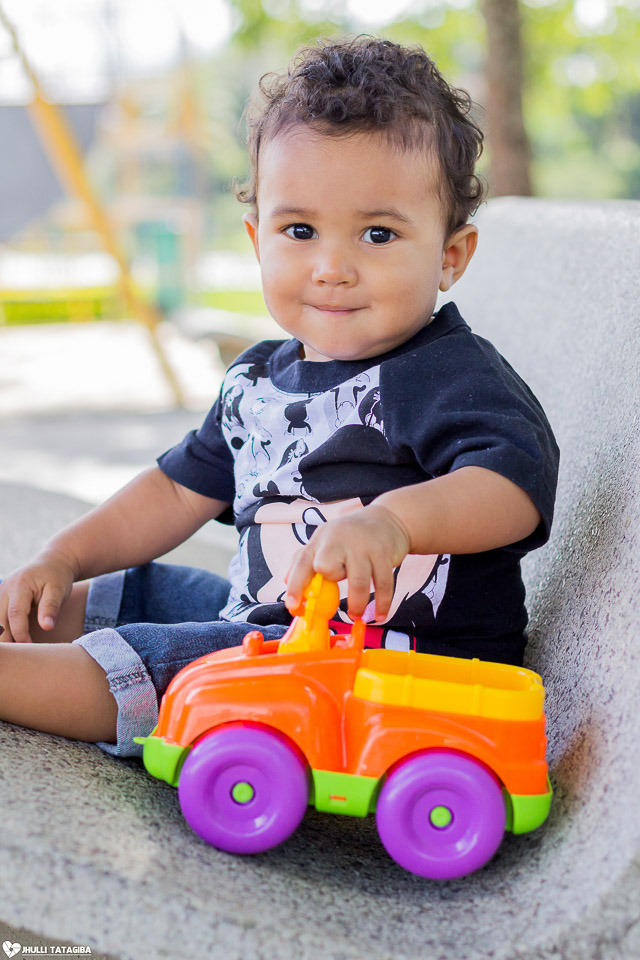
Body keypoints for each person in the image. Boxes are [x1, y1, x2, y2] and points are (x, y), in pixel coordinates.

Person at [0, 36, 559, 757]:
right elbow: (173, 493)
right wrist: (63, 556)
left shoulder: (449, 373)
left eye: (378, 234)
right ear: (256, 237)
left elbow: (513, 486)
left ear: (450, 256)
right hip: (269, 627)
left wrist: (394, 523)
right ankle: (24, 618)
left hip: (387, 663)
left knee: (175, 661)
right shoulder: (258, 375)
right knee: (133, 591)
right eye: (299, 230)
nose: (332, 267)